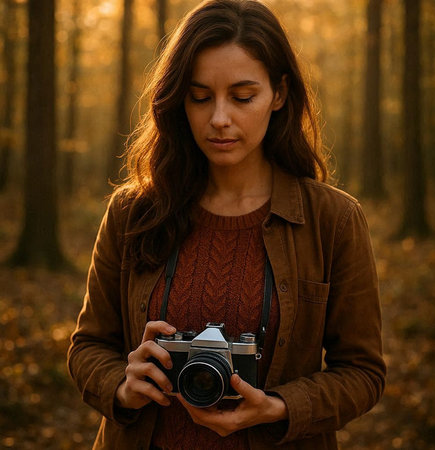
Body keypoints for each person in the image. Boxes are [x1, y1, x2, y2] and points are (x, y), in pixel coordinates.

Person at [67, 1, 386, 449]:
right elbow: (88, 346)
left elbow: (364, 373)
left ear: (279, 94)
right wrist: (122, 385)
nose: (219, 118)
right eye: (200, 97)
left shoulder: (331, 221)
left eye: (242, 97)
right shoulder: (133, 212)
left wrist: (278, 407)